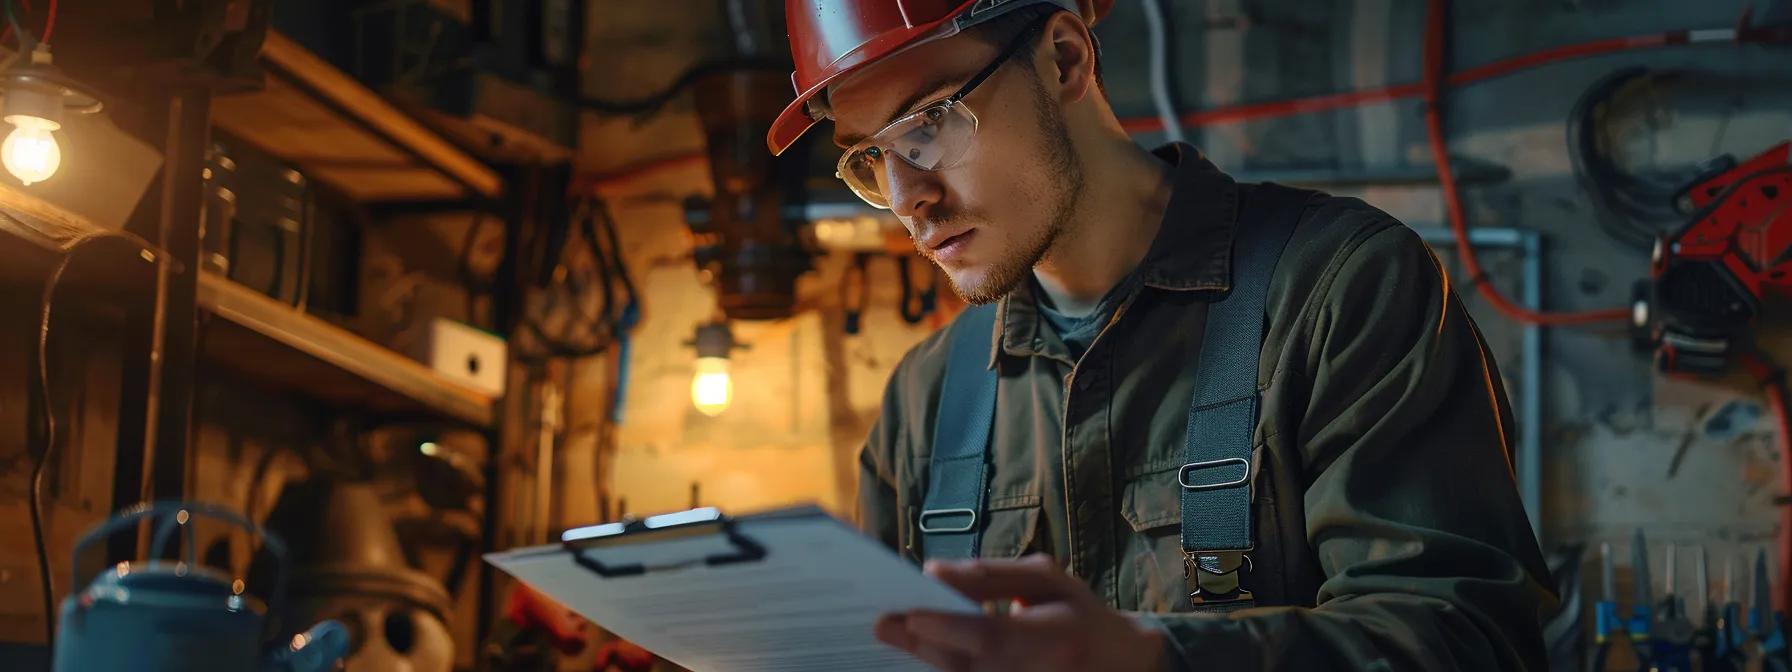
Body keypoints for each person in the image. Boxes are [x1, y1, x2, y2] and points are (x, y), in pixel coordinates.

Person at [765, 1, 1559, 670]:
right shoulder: (926, 399)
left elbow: (1467, 639)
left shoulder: (1339, 290)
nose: (907, 199)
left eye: (928, 126)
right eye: (869, 160)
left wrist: (1154, 659)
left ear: (1066, 59)